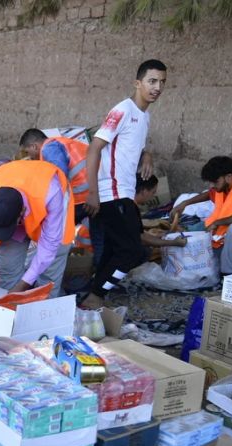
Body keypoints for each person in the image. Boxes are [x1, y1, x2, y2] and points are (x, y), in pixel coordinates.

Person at [81, 59, 167, 309]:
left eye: (162, 82)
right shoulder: (122, 110)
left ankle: (94, 298)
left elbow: (131, 146)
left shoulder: (144, 116)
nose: (157, 87)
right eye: (152, 81)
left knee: (114, 249)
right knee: (133, 251)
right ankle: (96, 294)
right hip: (111, 193)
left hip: (124, 193)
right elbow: (94, 149)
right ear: (137, 83)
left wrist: (147, 155)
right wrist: (93, 193)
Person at [0, 160, 75, 304]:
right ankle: (7, 314)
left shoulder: (52, 193)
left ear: (22, 213)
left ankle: (42, 313)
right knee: (9, 269)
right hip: (18, 203)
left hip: (47, 200)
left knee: (49, 273)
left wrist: (22, 285)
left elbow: (50, 245)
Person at [171, 156, 232, 274]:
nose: (212, 185)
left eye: (215, 182)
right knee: (199, 256)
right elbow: (209, 194)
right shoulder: (221, 188)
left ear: (228, 177)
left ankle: (229, 270)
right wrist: (185, 203)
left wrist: (217, 222)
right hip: (227, 243)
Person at [19, 128, 90, 215]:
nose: (29, 156)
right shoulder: (57, 143)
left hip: (85, 197)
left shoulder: (48, 149)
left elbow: (60, 174)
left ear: (34, 146)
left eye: (27, 152)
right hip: (90, 192)